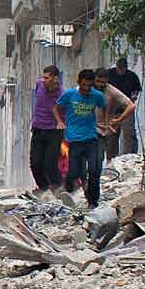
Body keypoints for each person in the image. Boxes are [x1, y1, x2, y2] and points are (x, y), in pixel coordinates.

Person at [56, 67, 132, 209]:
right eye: (98, 82)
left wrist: (115, 121)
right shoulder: (77, 93)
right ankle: (84, 190)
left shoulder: (108, 92)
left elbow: (129, 106)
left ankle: (93, 201)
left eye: (103, 82)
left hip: (99, 136)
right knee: (79, 169)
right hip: (79, 136)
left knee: (95, 169)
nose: (100, 85)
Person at [29, 65, 65, 194]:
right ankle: (44, 189)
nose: (44, 80)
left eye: (47, 78)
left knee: (50, 164)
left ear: (55, 78)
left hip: (54, 131)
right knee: (35, 164)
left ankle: (59, 188)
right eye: (43, 77)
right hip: (38, 129)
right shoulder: (39, 84)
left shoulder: (62, 94)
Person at [107, 56, 144, 156]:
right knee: (112, 133)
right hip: (113, 108)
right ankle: (111, 157)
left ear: (126, 68)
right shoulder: (109, 74)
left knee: (129, 133)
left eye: (122, 69)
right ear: (116, 67)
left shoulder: (132, 76)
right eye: (119, 69)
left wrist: (134, 95)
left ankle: (130, 156)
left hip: (127, 107)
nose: (120, 71)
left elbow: (137, 89)